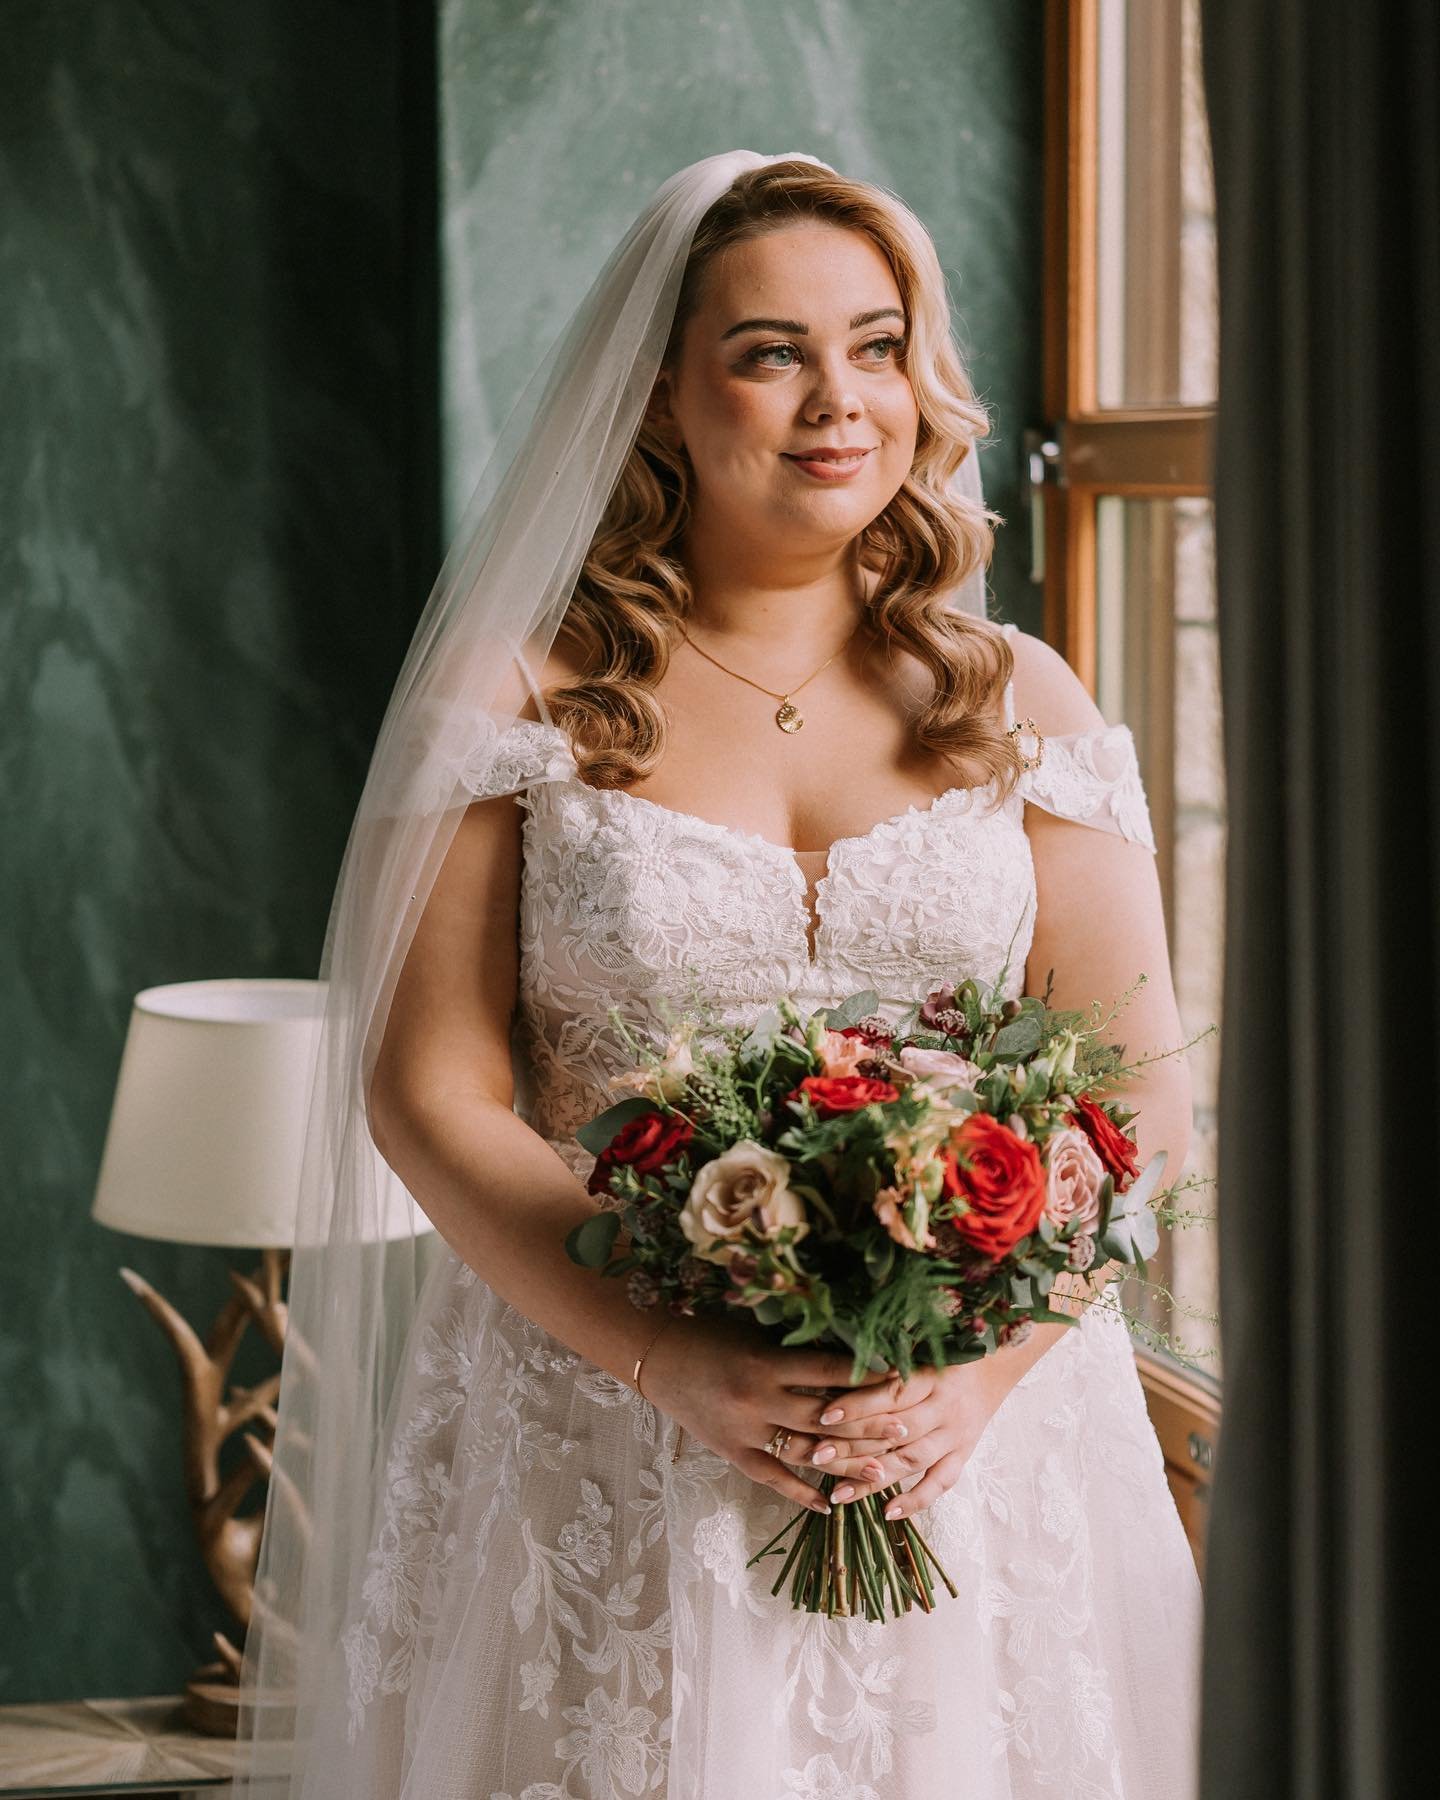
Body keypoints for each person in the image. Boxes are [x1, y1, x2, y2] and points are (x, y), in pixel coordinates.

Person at [237, 152, 1201, 1800]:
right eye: (772, 352)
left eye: (878, 345)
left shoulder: (1018, 693)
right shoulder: (522, 693)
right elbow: (430, 1091)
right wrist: (673, 1360)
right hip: (606, 1423)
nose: (841, 401)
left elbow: (1144, 1092)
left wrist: (970, 1382)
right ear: (663, 396)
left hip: (981, 1447)